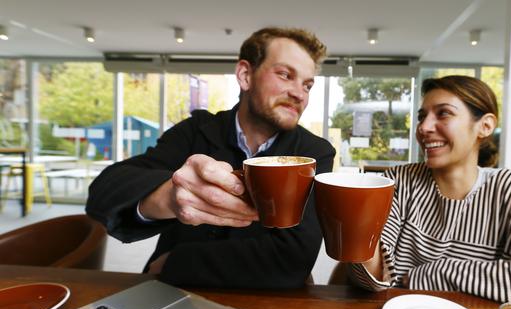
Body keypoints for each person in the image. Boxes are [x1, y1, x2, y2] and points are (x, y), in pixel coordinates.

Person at [86, 27, 335, 289]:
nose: (300, 93)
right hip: (176, 298)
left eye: (307, 85)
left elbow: (293, 259)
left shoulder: (315, 153)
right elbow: (103, 193)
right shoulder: (196, 131)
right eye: (286, 75)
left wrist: (176, 262)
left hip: (264, 302)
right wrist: (165, 197)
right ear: (245, 75)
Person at [349, 75, 511, 309]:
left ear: (485, 125)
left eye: (444, 113)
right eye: (422, 116)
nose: (424, 128)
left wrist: (436, 272)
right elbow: (370, 282)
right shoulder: (400, 181)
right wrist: (355, 229)